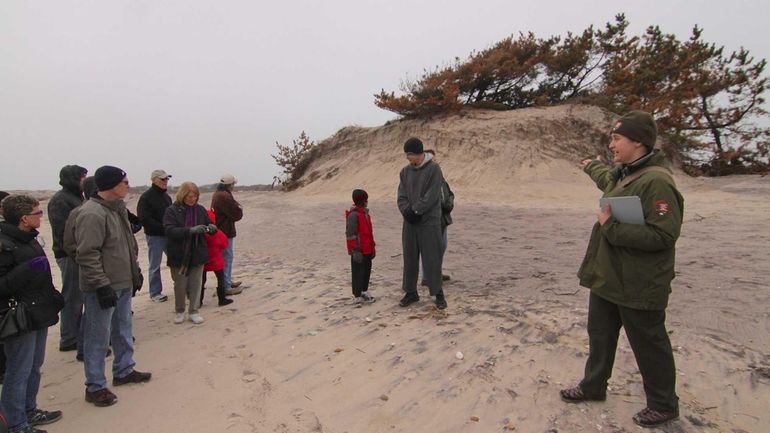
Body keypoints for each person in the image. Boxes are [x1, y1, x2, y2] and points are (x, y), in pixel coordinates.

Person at [559, 111, 684, 428]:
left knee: (648, 342)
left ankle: (664, 404)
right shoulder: (627, 173)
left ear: (638, 142)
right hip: (609, 275)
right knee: (600, 335)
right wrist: (591, 166)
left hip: (639, 282)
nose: (611, 144)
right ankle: (593, 386)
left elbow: (664, 235)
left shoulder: (657, 182)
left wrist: (612, 228)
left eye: (617, 138)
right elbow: (609, 180)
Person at [75, 166, 150, 408]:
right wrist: (101, 285)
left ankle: (124, 370)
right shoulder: (92, 214)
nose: (128, 185)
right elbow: (87, 254)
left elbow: (127, 245)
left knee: (122, 328)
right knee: (98, 336)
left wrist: (135, 271)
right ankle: (95, 385)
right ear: (111, 184)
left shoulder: (118, 209)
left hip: (123, 280)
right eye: (124, 182)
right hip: (103, 286)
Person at [0, 194, 64, 433]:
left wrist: (53, 296)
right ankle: (15, 423)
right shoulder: (4, 243)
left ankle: (29, 410)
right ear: (24, 218)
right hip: (19, 316)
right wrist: (26, 269)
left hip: (39, 310)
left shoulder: (31, 239)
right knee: (18, 369)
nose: (41, 216)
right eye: (38, 213)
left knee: (34, 366)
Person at [397, 137, 447, 310]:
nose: (407, 158)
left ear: (418, 153)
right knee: (409, 257)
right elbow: (401, 196)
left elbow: (432, 196)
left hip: (429, 222)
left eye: (409, 154)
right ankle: (411, 292)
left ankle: (438, 292)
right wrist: (407, 212)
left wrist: (417, 210)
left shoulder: (434, 169)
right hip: (410, 223)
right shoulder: (405, 172)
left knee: (432, 258)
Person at [46, 165, 88, 356]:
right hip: (69, 255)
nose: (84, 181)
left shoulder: (78, 197)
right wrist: (76, 252)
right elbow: (63, 233)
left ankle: (76, 334)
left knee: (79, 295)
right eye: (82, 177)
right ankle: (69, 338)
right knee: (72, 296)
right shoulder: (60, 200)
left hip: (80, 252)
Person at [164, 182, 217, 324]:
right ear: (182, 195)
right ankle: (180, 310)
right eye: (189, 196)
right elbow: (169, 230)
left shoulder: (200, 210)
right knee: (180, 284)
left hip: (197, 251)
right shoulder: (172, 210)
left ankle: (194, 310)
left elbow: (209, 224)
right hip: (179, 253)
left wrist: (211, 228)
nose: (192, 199)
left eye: (194, 196)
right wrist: (189, 230)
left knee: (196, 283)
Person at [136, 170, 173, 302]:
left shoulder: (166, 197)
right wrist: (162, 227)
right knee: (155, 265)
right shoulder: (146, 197)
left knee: (175, 260)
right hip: (155, 236)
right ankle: (155, 292)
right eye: (162, 179)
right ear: (154, 180)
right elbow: (144, 218)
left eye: (166, 179)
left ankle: (181, 285)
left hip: (169, 234)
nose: (165, 182)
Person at [420, 149, 454, 285]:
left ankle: (435, 273)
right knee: (431, 248)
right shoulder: (423, 176)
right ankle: (427, 277)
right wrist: (443, 204)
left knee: (442, 246)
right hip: (432, 218)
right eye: (431, 159)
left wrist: (449, 202)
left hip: (443, 217)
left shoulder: (438, 174)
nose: (434, 161)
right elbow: (429, 198)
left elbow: (448, 192)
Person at [210, 174, 243, 294]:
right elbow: (236, 213)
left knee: (226, 257)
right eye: (233, 184)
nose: (234, 186)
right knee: (227, 257)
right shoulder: (224, 196)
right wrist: (239, 209)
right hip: (224, 231)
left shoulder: (218, 194)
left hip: (222, 230)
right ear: (230, 184)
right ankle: (226, 285)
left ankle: (227, 281)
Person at [345, 189, 376, 304]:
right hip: (358, 250)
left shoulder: (366, 214)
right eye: (366, 200)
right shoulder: (353, 215)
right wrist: (355, 250)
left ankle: (364, 290)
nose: (367, 202)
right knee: (358, 272)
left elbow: (369, 232)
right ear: (362, 201)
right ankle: (357, 294)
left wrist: (373, 247)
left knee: (367, 270)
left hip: (368, 248)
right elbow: (350, 235)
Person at [200, 208, 233, 307]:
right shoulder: (218, 233)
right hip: (216, 261)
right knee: (220, 279)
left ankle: (198, 301)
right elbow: (225, 244)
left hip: (204, 261)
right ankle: (222, 299)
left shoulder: (201, 234)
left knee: (201, 281)